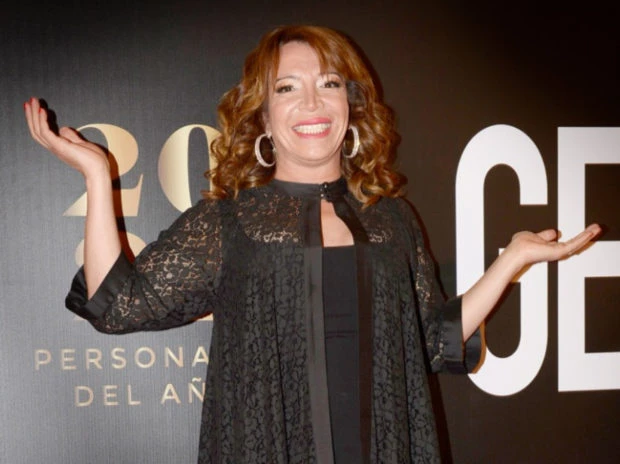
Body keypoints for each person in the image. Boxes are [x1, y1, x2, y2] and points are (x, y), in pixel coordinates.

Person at [24, 25, 600, 464]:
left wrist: (512, 261)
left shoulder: (392, 220)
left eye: (328, 84)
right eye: (287, 88)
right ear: (263, 117)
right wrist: (98, 176)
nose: (312, 103)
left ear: (350, 106)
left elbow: (430, 341)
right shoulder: (233, 222)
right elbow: (119, 305)